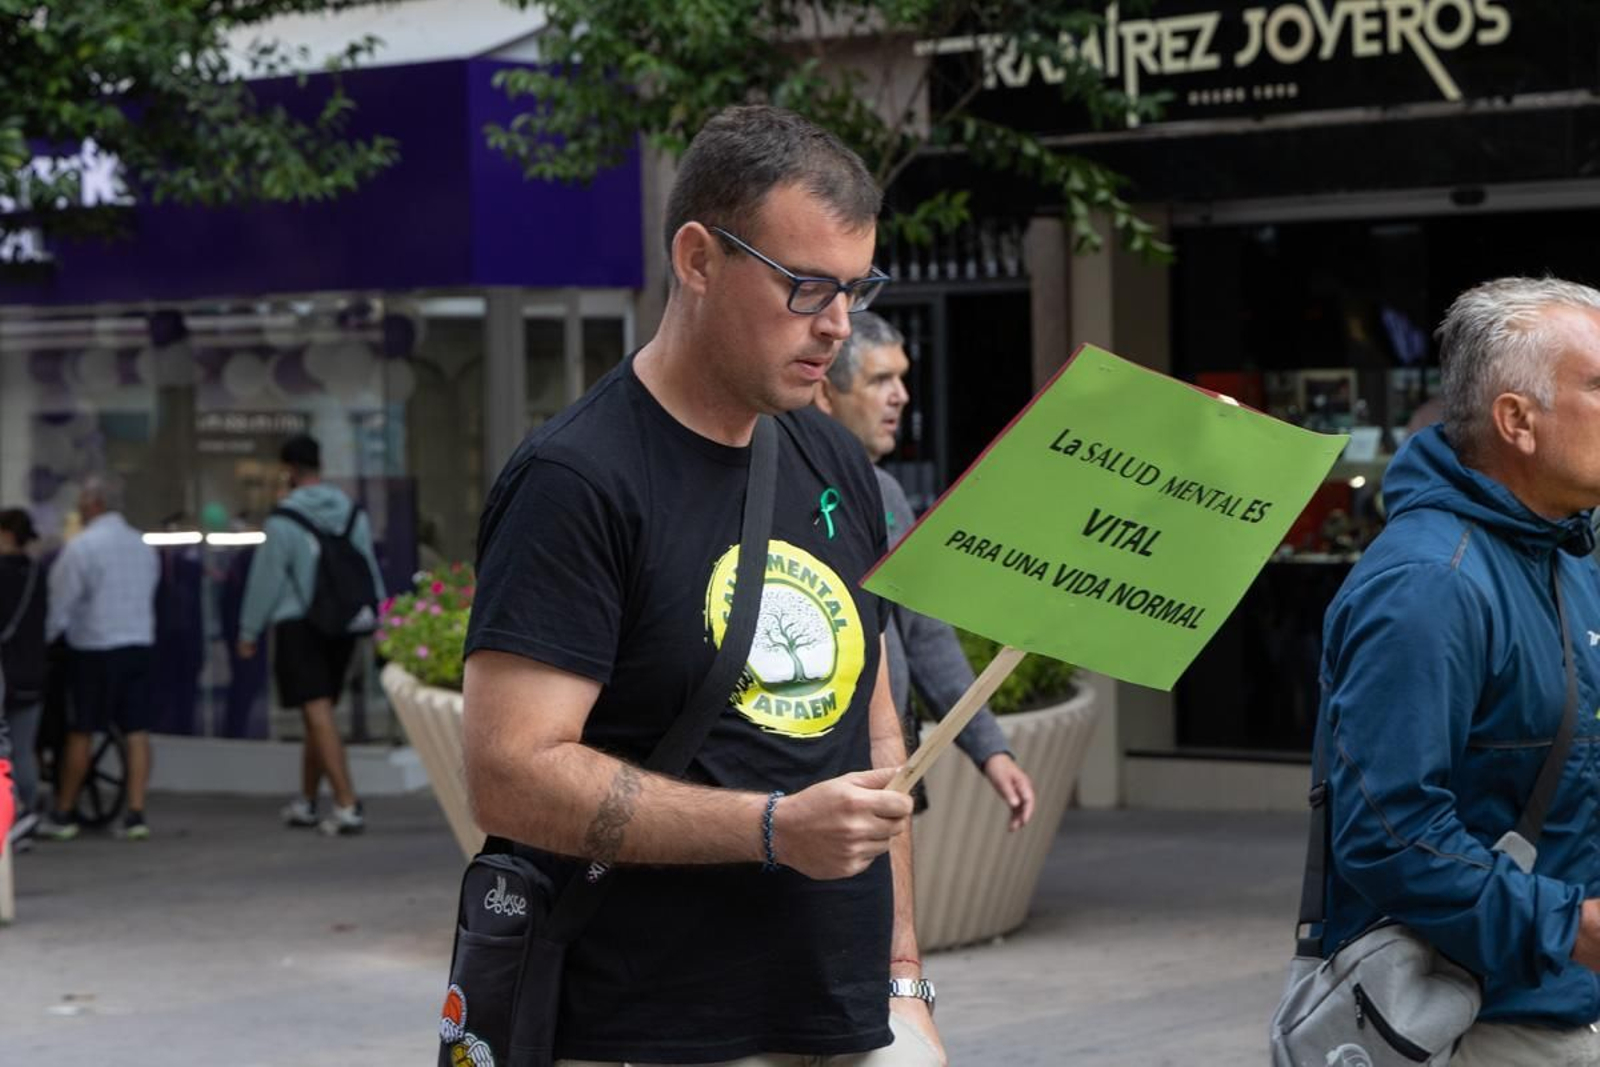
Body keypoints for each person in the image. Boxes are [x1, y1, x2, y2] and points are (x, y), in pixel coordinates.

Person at [463, 105, 944, 1065]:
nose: (837, 327)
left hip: (850, 1013)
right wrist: (771, 829)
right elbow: (509, 774)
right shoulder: (577, 479)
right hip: (654, 1027)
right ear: (697, 258)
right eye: (808, 288)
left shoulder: (830, 458)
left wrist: (902, 971)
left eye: (856, 289)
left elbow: (874, 721)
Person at [1315, 277, 1600, 1064]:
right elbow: (1390, 834)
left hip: (1557, 1000)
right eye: (1599, 386)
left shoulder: (1568, 551)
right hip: (1470, 1024)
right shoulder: (1429, 582)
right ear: (1518, 420)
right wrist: (1569, 927)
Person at [816, 312, 1035, 829]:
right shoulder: (781, 487)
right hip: (814, 769)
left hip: (892, 762)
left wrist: (991, 751)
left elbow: (924, 633)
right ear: (826, 394)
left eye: (902, 378)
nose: (901, 397)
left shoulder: (888, 495)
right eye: (879, 380)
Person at [238, 434, 383, 837]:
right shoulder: (353, 513)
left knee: (316, 713)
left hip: (300, 625)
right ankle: (305, 801)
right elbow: (368, 569)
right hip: (344, 625)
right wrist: (381, 618)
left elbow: (264, 580)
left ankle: (347, 803)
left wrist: (249, 630)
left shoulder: (284, 520)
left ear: (289, 470)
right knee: (318, 716)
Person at [38, 476, 159, 841]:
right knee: (136, 731)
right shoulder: (143, 545)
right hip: (137, 644)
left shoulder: (82, 548)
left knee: (82, 730)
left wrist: (44, 641)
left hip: (94, 649)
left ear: (93, 504)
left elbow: (60, 604)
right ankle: (135, 813)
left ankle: (63, 811)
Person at [0, 508, 47, 848]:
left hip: (6, 667)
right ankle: (26, 814)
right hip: (31, 669)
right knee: (23, 750)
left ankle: (13, 819)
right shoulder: (35, 572)